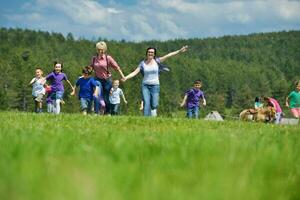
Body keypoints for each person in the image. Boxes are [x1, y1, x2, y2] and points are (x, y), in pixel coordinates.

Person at [122, 45, 188, 116]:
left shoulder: (157, 61)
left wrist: (179, 51)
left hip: (155, 85)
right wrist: (126, 77)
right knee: (146, 103)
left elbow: (168, 55)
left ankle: (152, 111)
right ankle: (146, 119)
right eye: (149, 52)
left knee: (154, 104)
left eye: (152, 52)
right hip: (145, 85)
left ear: (154, 54)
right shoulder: (142, 63)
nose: (150, 53)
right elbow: (135, 72)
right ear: (146, 53)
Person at [90, 41, 126, 114]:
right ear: (97, 49)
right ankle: (97, 112)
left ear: (105, 49)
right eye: (99, 49)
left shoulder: (108, 58)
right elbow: (90, 68)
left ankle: (107, 112)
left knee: (106, 98)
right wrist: (84, 75)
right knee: (98, 95)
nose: (100, 51)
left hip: (107, 80)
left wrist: (123, 76)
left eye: (102, 49)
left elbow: (117, 67)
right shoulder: (94, 58)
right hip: (97, 80)